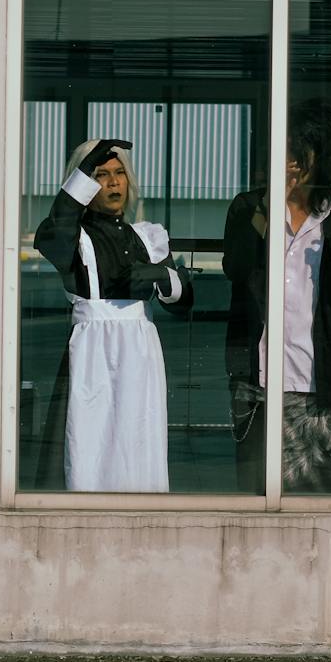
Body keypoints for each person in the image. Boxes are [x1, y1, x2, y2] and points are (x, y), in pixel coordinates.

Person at [224, 100, 331, 493]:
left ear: (322, 157)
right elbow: (238, 269)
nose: (288, 158)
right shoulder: (249, 207)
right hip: (260, 385)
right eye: (284, 147)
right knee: (262, 497)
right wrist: (267, 207)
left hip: (328, 388)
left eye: (297, 149)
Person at [34, 137, 192, 492]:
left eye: (119, 172)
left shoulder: (147, 237)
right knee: (89, 441)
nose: (113, 181)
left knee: (139, 438)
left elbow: (182, 303)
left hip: (140, 350)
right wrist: (82, 171)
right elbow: (57, 235)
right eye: (100, 174)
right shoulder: (72, 237)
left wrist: (162, 276)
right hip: (93, 352)